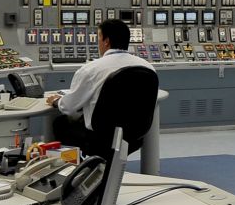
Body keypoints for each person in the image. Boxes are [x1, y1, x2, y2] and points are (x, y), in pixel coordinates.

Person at [43, 18, 154, 160]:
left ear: (106, 41)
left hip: (100, 138)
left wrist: (57, 101)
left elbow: (69, 107)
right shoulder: (147, 67)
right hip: (134, 137)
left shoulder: (91, 69)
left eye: (99, 37)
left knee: (60, 123)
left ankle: (71, 171)